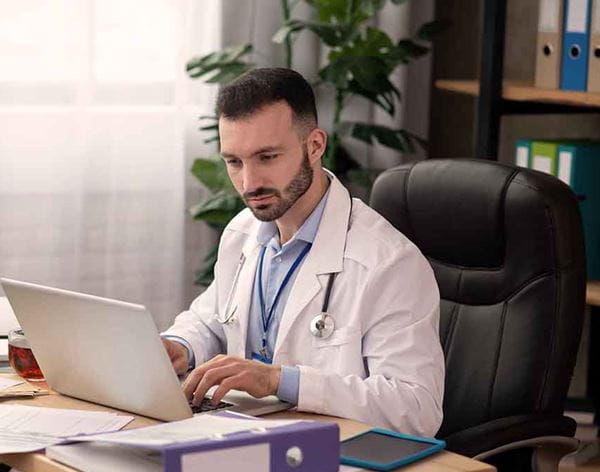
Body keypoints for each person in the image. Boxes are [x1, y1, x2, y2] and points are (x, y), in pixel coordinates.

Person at [161, 67, 444, 436]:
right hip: (253, 435)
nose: (249, 183)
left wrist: (281, 381)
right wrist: (180, 347)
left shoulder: (388, 262)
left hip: (341, 459)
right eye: (234, 161)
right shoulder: (243, 233)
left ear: (314, 146)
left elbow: (416, 408)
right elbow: (213, 319)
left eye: (267, 157)